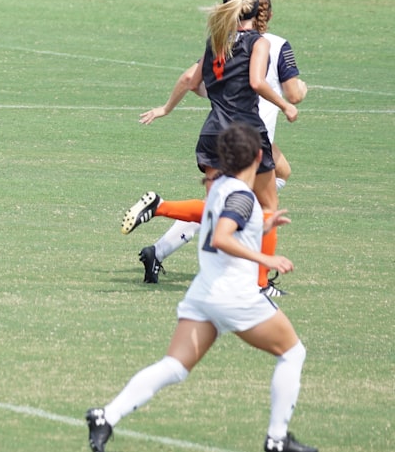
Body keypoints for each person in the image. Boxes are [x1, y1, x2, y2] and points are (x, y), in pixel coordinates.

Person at [86, 122, 317, 452]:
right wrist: (266, 260)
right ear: (258, 156)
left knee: (174, 367)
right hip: (235, 297)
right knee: (293, 353)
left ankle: (106, 416)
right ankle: (277, 439)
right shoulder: (242, 196)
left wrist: (262, 225)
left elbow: (221, 226)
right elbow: (222, 237)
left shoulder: (219, 187)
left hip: (203, 296)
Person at [125, 0, 307, 294]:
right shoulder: (262, 42)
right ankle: (262, 285)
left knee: (217, 205)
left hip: (213, 132)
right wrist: (286, 105)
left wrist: (172, 107)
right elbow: (258, 82)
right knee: (267, 208)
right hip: (247, 132)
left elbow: (193, 82)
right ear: (262, 14)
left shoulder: (215, 42)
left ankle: (159, 206)